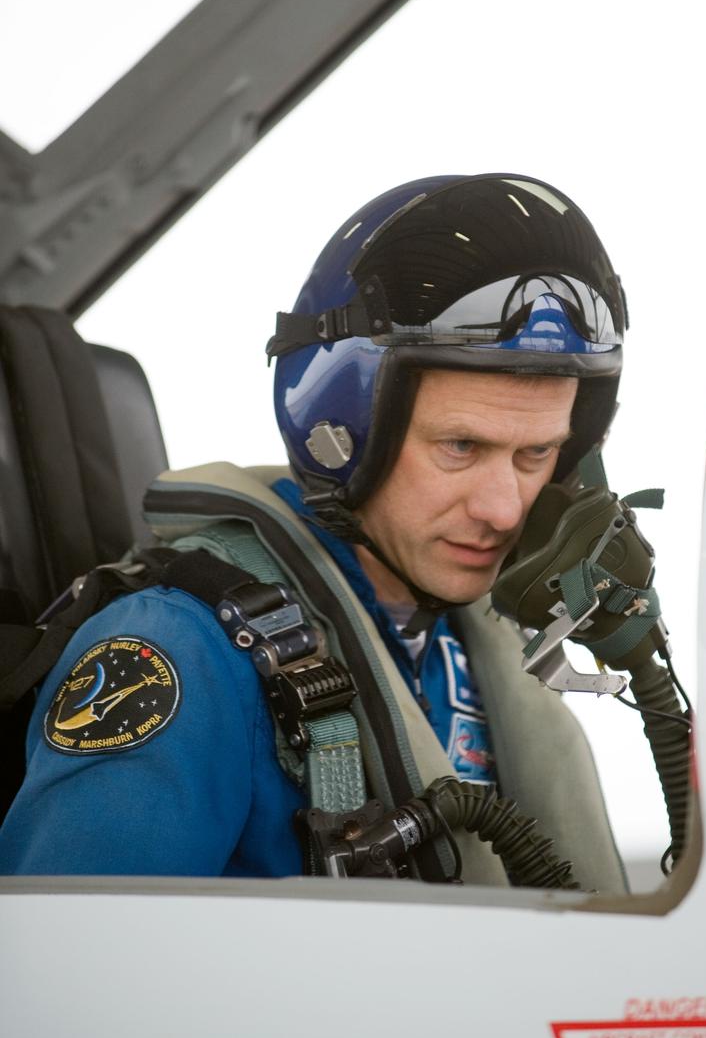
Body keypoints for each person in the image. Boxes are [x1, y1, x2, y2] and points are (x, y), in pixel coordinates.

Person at [0, 173, 628, 889]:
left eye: (534, 454)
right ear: (341, 429)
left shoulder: (480, 639)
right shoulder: (174, 653)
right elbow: (68, 970)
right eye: (460, 447)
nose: (504, 508)